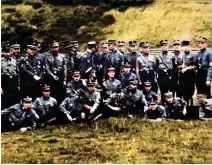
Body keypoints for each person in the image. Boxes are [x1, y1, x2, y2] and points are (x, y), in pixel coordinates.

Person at [1, 44, 20, 109]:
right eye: (6, 52)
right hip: (5, 82)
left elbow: (18, 73)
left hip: (14, 82)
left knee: (14, 99)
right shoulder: (1, 61)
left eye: (9, 52)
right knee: (5, 100)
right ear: (3, 52)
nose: (8, 54)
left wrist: (18, 85)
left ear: (11, 52)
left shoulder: (14, 60)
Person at [179, 40, 196, 105]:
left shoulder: (193, 54)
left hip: (190, 76)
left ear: (187, 46)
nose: (182, 48)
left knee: (190, 93)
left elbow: (195, 66)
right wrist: (181, 67)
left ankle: (190, 106)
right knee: (184, 93)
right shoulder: (183, 55)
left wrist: (187, 68)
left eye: (183, 47)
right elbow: (182, 64)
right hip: (184, 76)